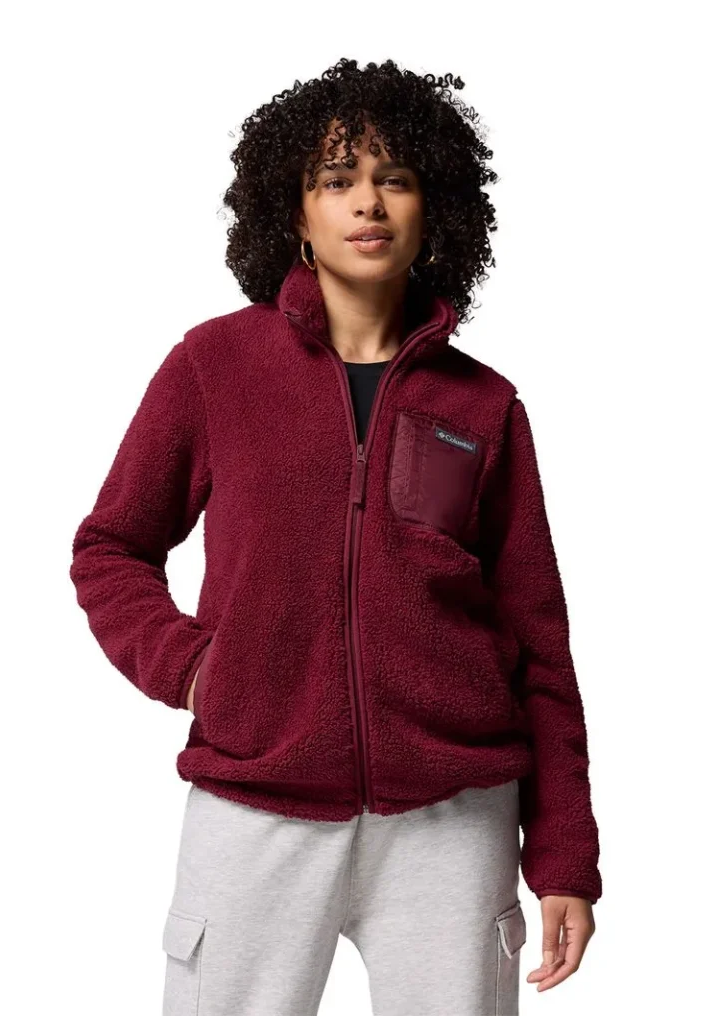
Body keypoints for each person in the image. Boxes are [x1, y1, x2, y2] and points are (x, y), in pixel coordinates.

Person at [70, 57, 601, 1016]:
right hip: (256, 805)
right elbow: (111, 548)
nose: (368, 202)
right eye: (336, 179)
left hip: (453, 819)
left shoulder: (483, 406)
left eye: (395, 178)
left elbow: (539, 642)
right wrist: (194, 670)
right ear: (296, 213)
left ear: (435, 210)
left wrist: (564, 854)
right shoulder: (215, 367)